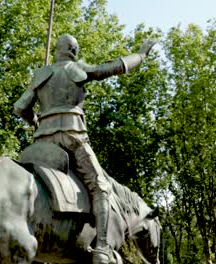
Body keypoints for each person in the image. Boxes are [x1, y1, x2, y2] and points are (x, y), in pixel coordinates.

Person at [14, 34, 156, 264]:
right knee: (101, 187)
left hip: (41, 143)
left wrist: (34, 121)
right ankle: (101, 247)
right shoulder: (77, 68)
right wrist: (140, 55)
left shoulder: (41, 75)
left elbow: (20, 107)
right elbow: (113, 67)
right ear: (72, 50)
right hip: (72, 136)